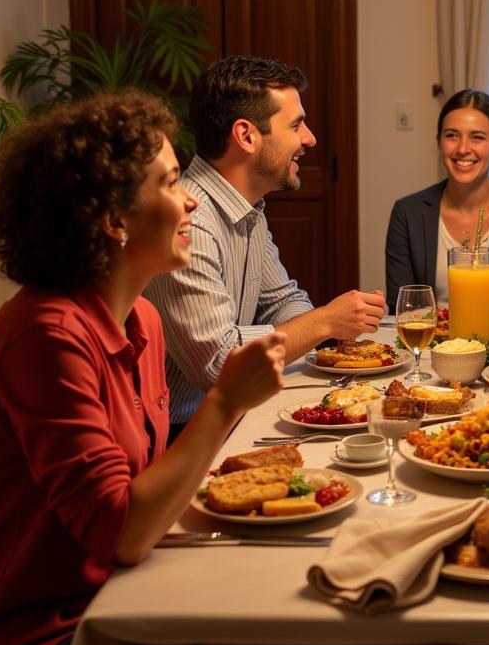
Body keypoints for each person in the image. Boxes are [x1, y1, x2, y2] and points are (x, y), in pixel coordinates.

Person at [0, 92, 286, 645]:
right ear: (111, 218)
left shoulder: (142, 321)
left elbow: (145, 493)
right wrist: (225, 402)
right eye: (172, 182)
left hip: (122, 597)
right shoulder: (45, 334)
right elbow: (120, 531)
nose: (192, 202)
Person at [146, 55, 386, 432]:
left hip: (233, 414)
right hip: (179, 436)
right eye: (296, 125)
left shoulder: (248, 205)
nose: (310, 138)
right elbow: (219, 364)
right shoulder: (189, 223)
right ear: (246, 136)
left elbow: (281, 301)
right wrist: (324, 322)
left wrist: (331, 333)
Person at [385, 89, 489, 305]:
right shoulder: (407, 213)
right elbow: (403, 307)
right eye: (452, 135)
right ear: (439, 141)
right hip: (430, 338)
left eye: (477, 137)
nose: (463, 148)